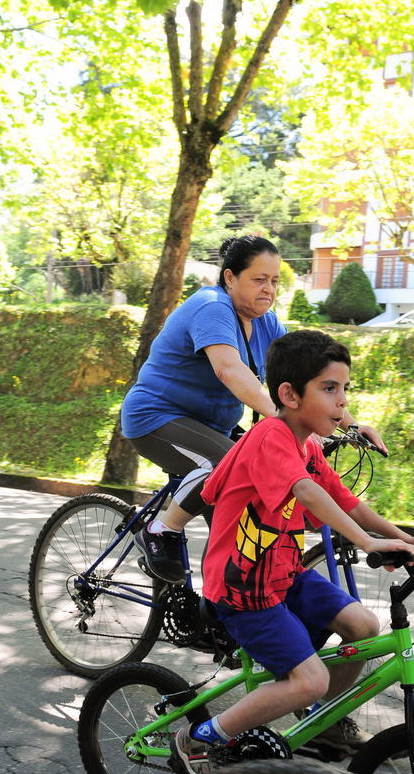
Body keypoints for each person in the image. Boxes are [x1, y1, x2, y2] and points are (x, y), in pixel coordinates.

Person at [169, 329, 414, 774]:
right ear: (289, 395)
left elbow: (346, 499)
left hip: (285, 573)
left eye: (344, 390)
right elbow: (308, 492)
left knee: (365, 628)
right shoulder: (269, 438)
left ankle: (318, 719)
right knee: (308, 678)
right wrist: (368, 543)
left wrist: (402, 538)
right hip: (244, 588)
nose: (342, 403)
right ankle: (198, 737)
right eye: (329, 389)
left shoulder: (308, 444)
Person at [122, 235, 385, 582]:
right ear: (230, 278)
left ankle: (219, 611)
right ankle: (161, 530)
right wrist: (281, 421)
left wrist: (349, 425)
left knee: (243, 508)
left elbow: (306, 379)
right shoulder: (213, 308)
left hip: (213, 427)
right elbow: (229, 370)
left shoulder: (266, 323)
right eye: (259, 279)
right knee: (226, 464)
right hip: (157, 417)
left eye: (274, 281)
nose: (269, 289)